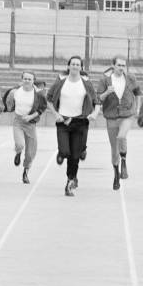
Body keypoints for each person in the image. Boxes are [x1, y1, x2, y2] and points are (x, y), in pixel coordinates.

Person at [47, 56, 100, 196]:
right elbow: (49, 99)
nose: (75, 66)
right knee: (65, 152)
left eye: (78, 64)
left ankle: (70, 180)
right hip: (63, 121)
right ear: (68, 66)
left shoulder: (86, 84)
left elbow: (97, 101)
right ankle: (63, 153)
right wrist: (55, 114)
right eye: (73, 64)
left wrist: (95, 113)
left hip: (80, 122)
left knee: (75, 156)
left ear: (81, 67)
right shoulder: (61, 82)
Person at [97, 56, 141, 190]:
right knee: (114, 149)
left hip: (127, 114)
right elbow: (99, 98)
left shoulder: (130, 78)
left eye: (123, 65)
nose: (121, 68)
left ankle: (124, 160)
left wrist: (137, 108)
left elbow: (138, 93)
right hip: (111, 116)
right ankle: (116, 173)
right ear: (113, 66)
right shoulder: (105, 80)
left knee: (122, 136)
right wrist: (107, 92)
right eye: (119, 65)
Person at [5, 71, 48, 184]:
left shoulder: (38, 94)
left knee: (30, 152)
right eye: (25, 78)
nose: (27, 81)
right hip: (18, 121)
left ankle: (25, 172)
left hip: (30, 123)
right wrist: (9, 107)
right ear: (22, 79)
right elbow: (8, 102)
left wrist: (30, 117)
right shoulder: (15, 91)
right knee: (20, 144)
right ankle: (18, 152)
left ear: (33, 81)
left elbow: (42, 108)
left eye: (30, 79)